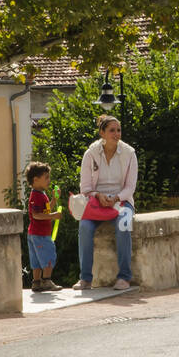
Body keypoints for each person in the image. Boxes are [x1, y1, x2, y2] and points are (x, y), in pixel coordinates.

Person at [75, 116, 137, 291]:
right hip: (96, 202)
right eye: (112, 130)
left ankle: (124, 277)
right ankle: (85, 279)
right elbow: (85, 188)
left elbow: (130, 188)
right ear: (102, 133)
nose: (117, 134)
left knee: (124, 224)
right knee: (84, 226)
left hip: (122, 202)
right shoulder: (90, 154)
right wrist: (97, 195)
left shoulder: (129, 153)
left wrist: (116, 198)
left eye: (118, 130)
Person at [25, 162, 63, 292]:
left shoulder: (41, 194)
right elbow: (36, 215)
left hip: (35, 234)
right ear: (36, 180)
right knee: (48, 255)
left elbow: (45, 211)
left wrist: (54, 199)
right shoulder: (36, 196)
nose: (49, 180)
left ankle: (36, 282)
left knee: (35, 258)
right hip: (40, 234)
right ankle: (46, 280)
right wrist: (53, 216)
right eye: (46, 177)